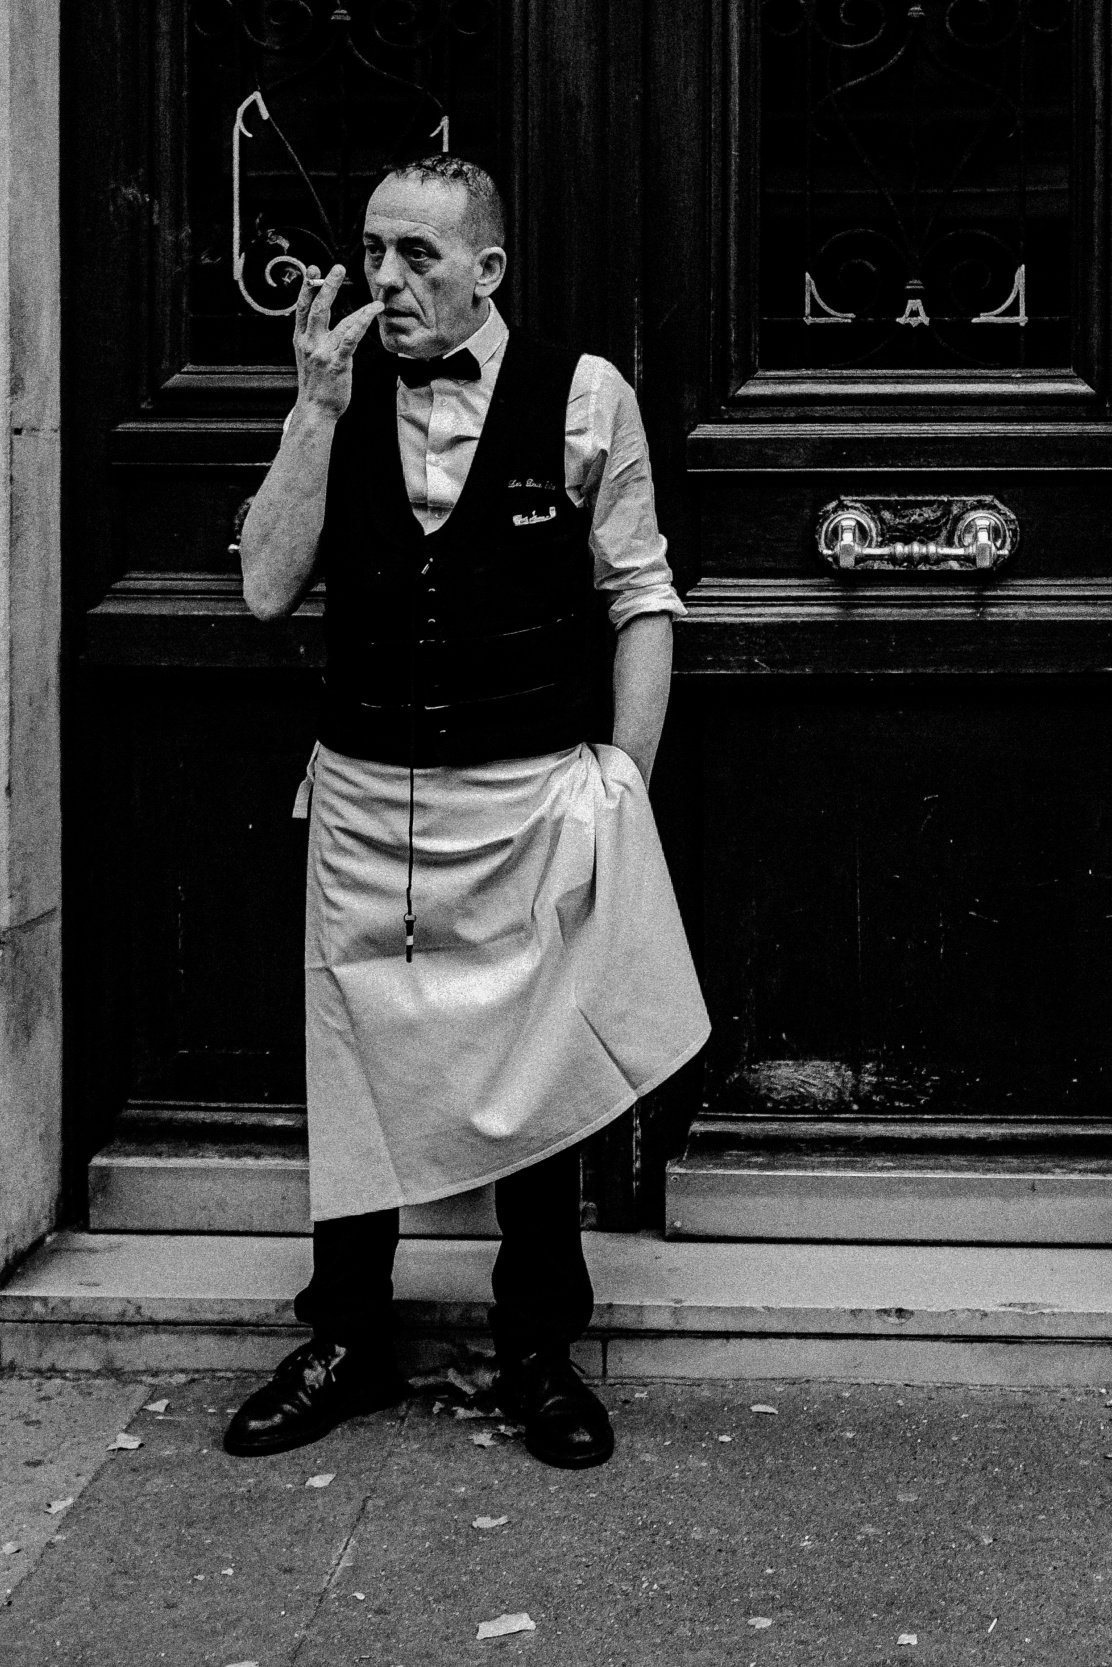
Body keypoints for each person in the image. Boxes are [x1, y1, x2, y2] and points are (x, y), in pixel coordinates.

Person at [224, 154, 709, 1470]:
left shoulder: (585, 395)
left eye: (418, 256)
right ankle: (346, 1339)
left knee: (535, 1077)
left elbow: (642, 597)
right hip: (365, 795)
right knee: (354, 1077)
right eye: (374, 251)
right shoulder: (338, 391)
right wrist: (311, 415)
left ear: (487, 269)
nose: (385, 280)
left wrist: (620, 787)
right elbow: (266, 590)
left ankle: (538, 1349)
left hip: (524, 798)